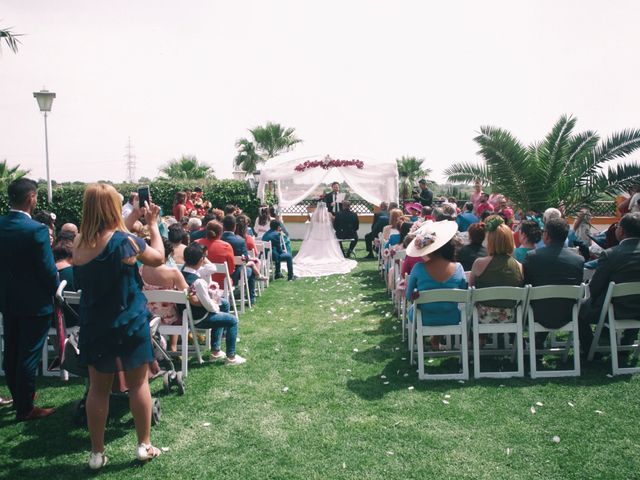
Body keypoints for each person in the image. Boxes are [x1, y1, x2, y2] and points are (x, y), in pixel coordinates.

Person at [73, 183, 165, 469]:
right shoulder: (127, 242)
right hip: (129, 320)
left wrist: (133, 216)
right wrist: (152, 224)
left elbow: (110, 238)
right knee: (138, 384)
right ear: (114, 206)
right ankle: (144, 445)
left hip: (94, 322)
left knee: (97, 390)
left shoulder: (78, 242)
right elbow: (158, 257)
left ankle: (96, 454)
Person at [0, 178, 59, 421]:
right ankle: (25, 408)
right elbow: (47, 270)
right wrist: (55, 289)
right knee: (28, 355)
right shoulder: (36, 230)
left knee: (12, 351)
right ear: (31, 198)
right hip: (36, 303)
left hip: (7, 299)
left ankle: (19, 397)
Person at [578, 212, 640, 353]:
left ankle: (590, 350)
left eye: (617, 226)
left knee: (578, 307)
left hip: (615, 310)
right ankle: (628, 340)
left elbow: (594, 288)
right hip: (638, 309)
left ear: (622, 231)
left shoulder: (611, 254)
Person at [405, 221, 467, 350]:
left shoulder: (418, 268)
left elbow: (408, 295)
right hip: (453, 317)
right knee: (441, 306)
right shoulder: (458, 267)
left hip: (424, 318)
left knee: (420, 308)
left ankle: (423, 340)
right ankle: (435, 340)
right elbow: (463, 294)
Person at [180, 243, 245, 365]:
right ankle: (231, 357)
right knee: (232, 320)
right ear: (201, 260)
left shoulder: (181, 273)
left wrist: (217, 303)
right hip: (200, 318)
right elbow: (209, 306)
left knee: (224, 304)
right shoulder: (198, 282)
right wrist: (215, 304)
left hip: (188, 314)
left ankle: (216, 350)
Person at [523, 217, 584, 331]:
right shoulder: (578, 260)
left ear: (546, 235)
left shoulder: (533, 257)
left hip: (536, 313)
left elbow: (525, 284)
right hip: (568, 313)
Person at [469, 216, 524, 323]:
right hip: (509, 317)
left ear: (490, 241)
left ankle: (480, 338)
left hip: (483, 317)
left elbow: (471, 291)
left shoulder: (479, 263)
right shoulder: (519, 266)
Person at [140, 238, 189, 352]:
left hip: (148, 316)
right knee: (178, 311)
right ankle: (173, 346)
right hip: (169, 318)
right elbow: (186, 293)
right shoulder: (173, 273)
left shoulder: (141, 270)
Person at [221, 215, 256, 303]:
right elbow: (246, 259)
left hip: (218, 274)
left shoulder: (218, 239)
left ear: (223, 226)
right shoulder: (240, 241)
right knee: (250, 270)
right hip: (235, 275)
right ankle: (251, 298)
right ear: (234, 227)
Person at [197, 220, 236, 287]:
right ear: (221, 232)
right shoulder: (226, 246)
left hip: (199, 285)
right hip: (222, 285)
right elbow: (231, 270)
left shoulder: (196, 244)